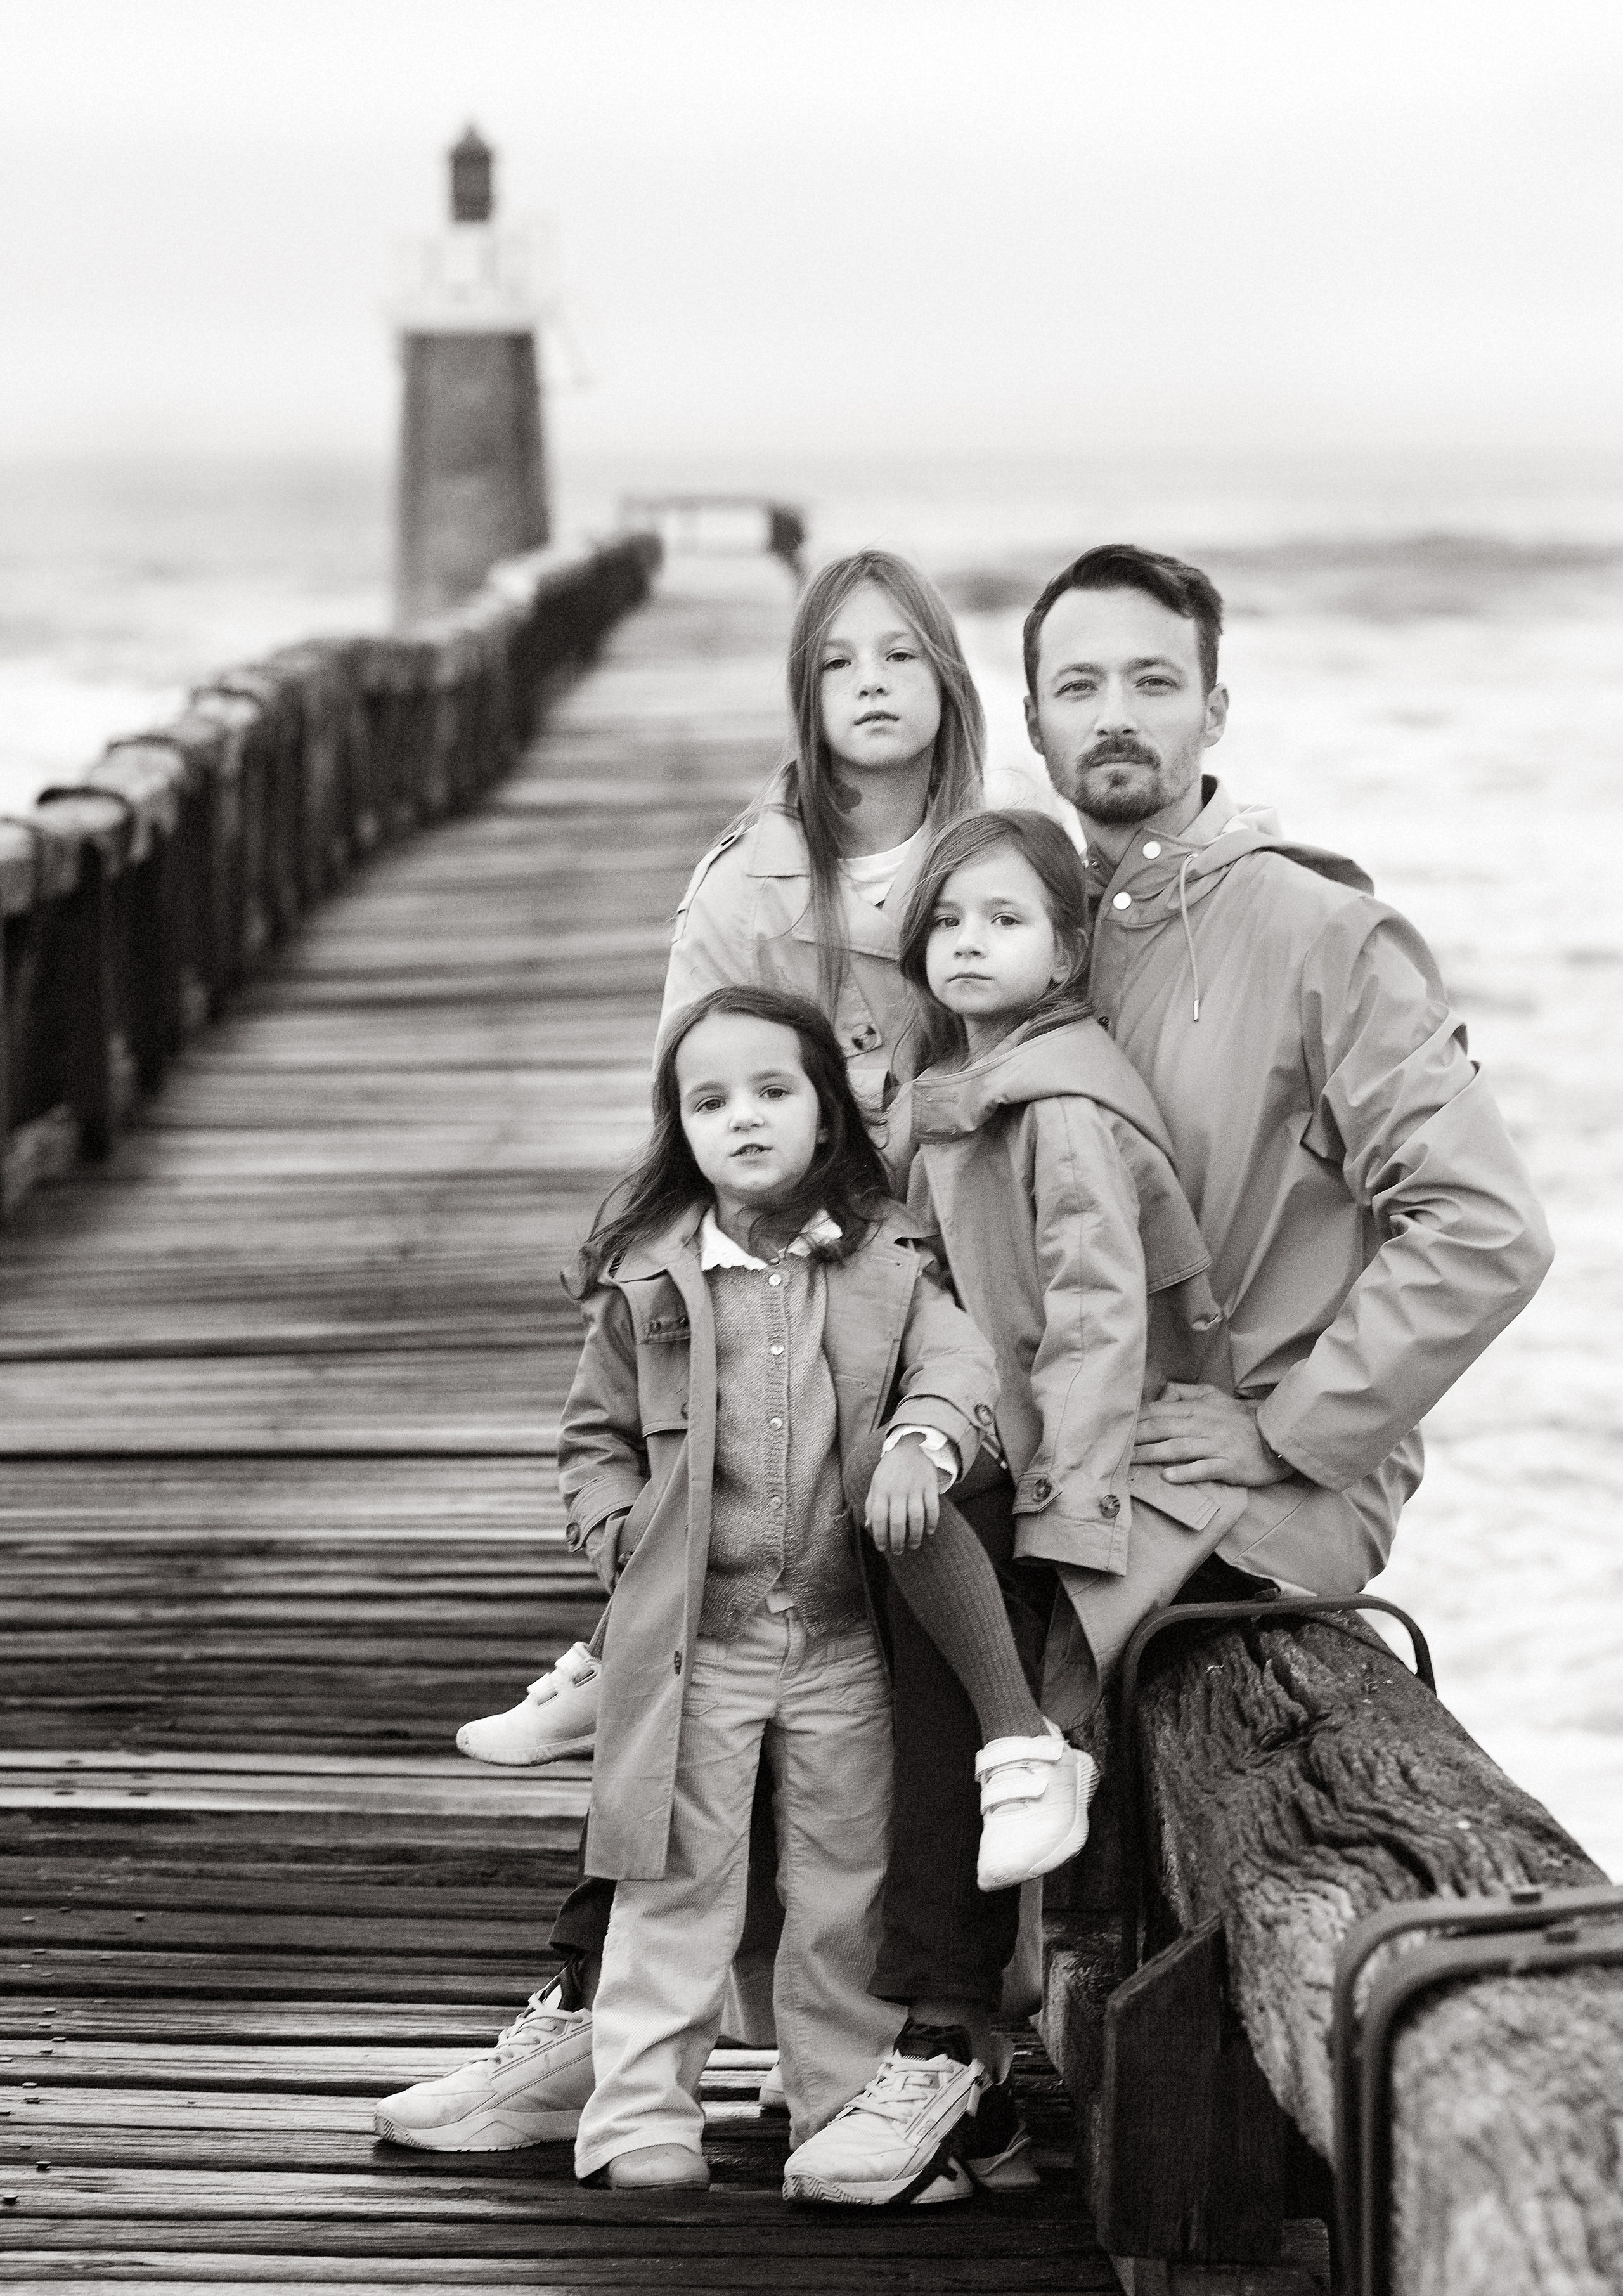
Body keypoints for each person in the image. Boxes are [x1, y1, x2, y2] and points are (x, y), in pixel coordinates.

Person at [780, 809, 1243, 2203]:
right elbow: (925, 1283)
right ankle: (928, 2034)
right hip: (981, 1420)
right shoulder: (950, 1088)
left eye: (1002, 919)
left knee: (919, 1569)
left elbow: (1102, 1319)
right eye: (946, 923)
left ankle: (945, 2028)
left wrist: (1065, 1504)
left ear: (1066, 946)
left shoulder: (1056, 1102)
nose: (966, 943)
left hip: (1060, 1458)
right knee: (866, 1570)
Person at [1016, 542, 1551, 1612]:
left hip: (1254, 1502)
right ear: (1035, 725)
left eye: (1155, 681)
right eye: (1080, 686)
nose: (1115, 712)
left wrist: (1288, 1427)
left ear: (1214, 712)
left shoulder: (1325, 934)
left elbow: (1487, 1225)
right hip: (1086, 1469)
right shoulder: (1026, 939)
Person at [550, 985, 1012, 2193]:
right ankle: (640, 2114)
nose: (744, 1120)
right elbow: (596, 1437)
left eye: (773, 1092)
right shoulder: (650, 1277)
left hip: (844, 1633)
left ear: (825, 1113)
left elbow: (959, 1360)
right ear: (678, 1127)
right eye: (710, 1102)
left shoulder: (888, 1256)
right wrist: (615, 1534)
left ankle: (837, 2104)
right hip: (696, 1642)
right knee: (676, 1877)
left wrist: (924, 1437)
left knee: (842, 1882)